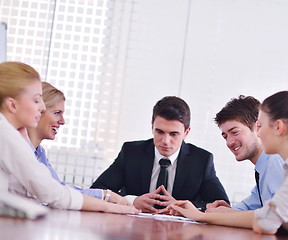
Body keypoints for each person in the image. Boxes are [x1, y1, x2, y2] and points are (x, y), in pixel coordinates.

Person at [169, 89, 288, 240]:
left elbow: (267, 221)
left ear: (278, 127)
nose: (259, 133)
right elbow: (259, 210)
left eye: (261, 126)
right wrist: (221, 212)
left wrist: (200, 216)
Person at [0, 61, 139, 214]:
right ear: (12, 105)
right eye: (36, 100)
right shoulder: (6, 134)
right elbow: (51, 192)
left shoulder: (14, 135)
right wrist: (108, 206)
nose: (42, 107)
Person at [91, 96, 229, 213]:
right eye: (160, 132)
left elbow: (221, 206)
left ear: (186, 133)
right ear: (152, 127)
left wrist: (184, 207)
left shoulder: (201, 160)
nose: (165, 141)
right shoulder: (131, 152)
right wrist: (131, 201)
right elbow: (96, 192)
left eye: (174, 134)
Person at [16, 81, 129, 206]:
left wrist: (105, 195)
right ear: (39, 111)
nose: (62, 121)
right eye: (57, 113)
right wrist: (106, 198)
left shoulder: (39, 153)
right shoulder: (17, 148)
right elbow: (54, 195)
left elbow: (60, 190)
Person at [206, 95, 284, 213]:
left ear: (257, 127)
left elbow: (278, 216)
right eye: (225, 136)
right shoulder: (263, 168)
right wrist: (225, 211)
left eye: (235, 132)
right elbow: (248, 207)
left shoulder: (275, 161)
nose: (229, 142)